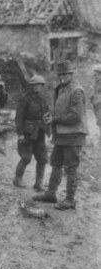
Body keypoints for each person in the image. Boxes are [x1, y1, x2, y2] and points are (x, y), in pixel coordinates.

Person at [34, 60, 88, 210]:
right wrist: (51, 116)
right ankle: (51, 194)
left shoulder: (77, 90)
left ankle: (70, 200)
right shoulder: (60, 89)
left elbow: (75, 116)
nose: (63, 77)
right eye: (60, 74)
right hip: (61, 134)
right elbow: (61, 110)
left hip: (74, 135)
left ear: (71, 74)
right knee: (56, 163)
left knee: (70, 168)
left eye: (66, 74)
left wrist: (55, 120)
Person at [13, 75, 51, 190]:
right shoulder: (25, 99)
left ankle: (38, 183)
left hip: (40, 132)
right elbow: (18, 117)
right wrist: (20, 134)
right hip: (27, 132)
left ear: (42, 86)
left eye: (39, 85)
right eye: (35, 85)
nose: (37, 87)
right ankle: (17, 179)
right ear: (31, 86)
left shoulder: (43, 98)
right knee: (26, 157)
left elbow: (47, 113)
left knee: (42, 158)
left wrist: (48, 126)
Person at [90, 64, 101, 133]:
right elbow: (92, 95)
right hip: (97, 107)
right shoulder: (95, 83)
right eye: (94, 75)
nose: (95, 76)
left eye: (96, 74)